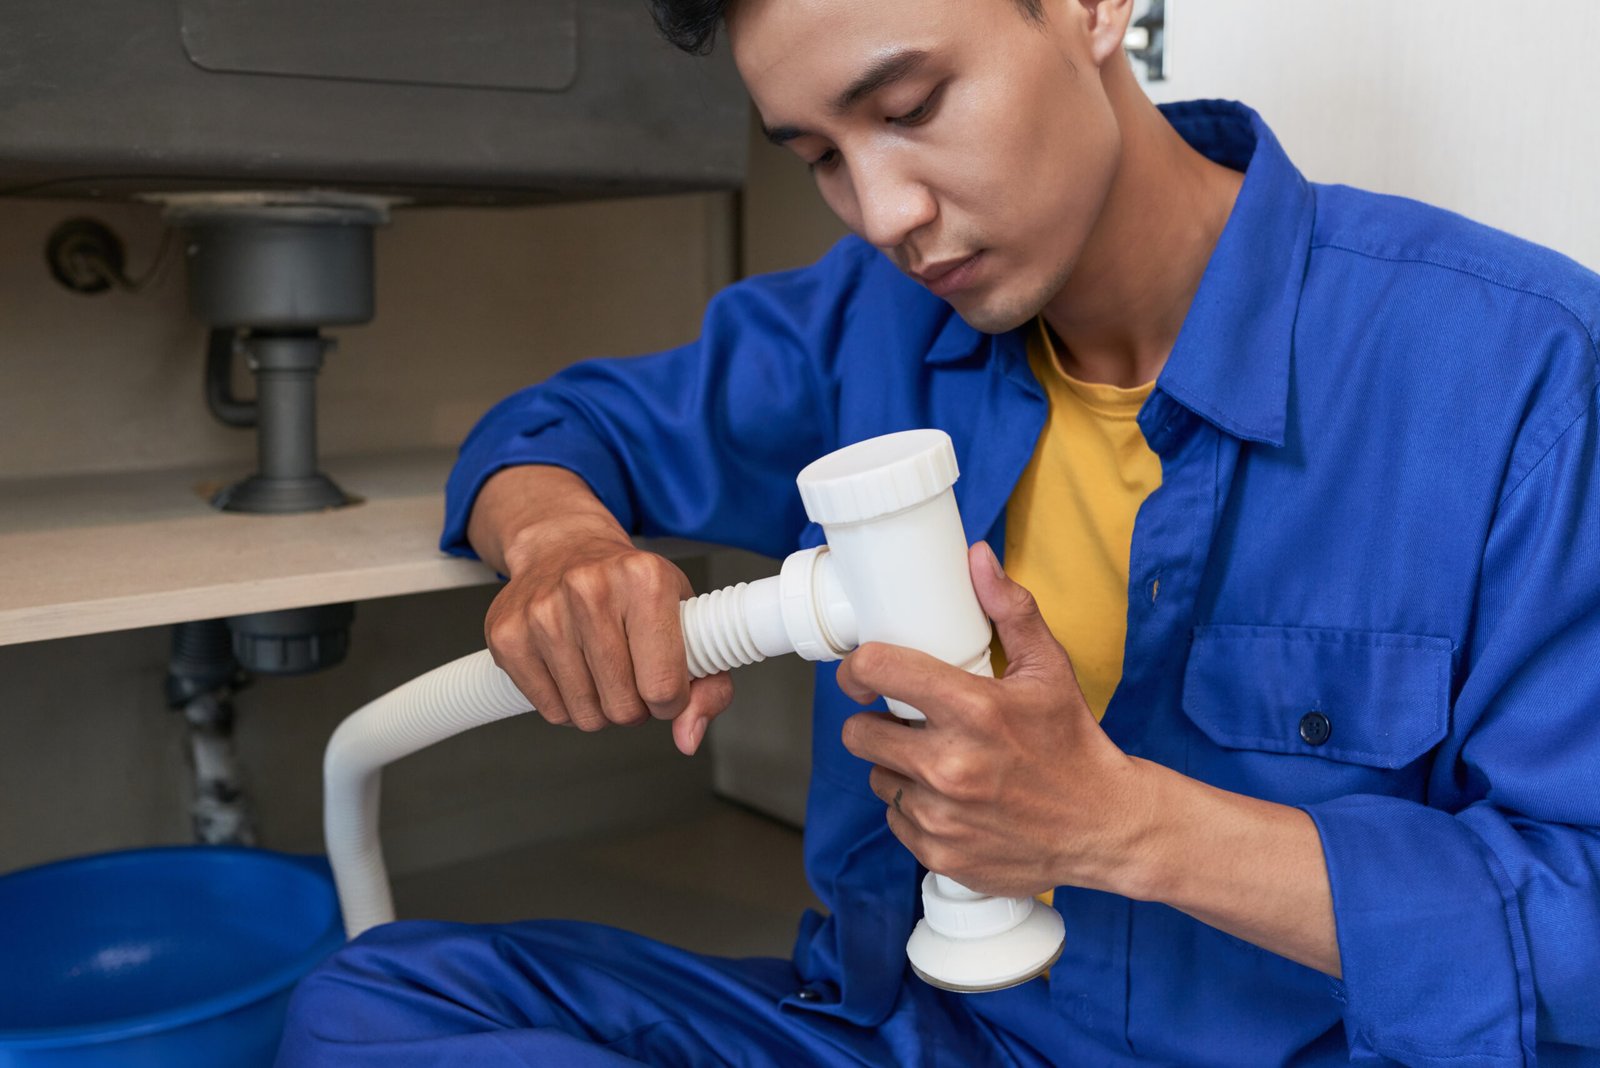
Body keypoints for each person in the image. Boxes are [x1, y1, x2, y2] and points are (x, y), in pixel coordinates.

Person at [276, 0, 1600, 1064]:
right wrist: (561, 545)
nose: (885, 213)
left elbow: (1581, 929)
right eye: (822, 160)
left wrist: (1124, 825)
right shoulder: (870, 323)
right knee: (376, 1002)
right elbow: (561, 429)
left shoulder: (1518, 371)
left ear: (1091, 9)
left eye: (909, 109)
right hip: (920, 1028)